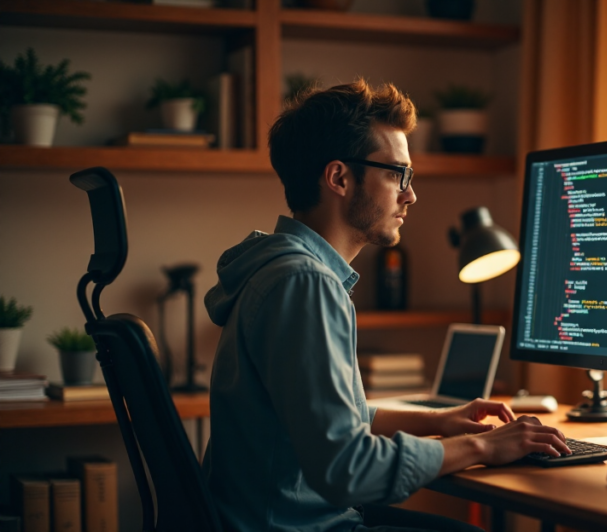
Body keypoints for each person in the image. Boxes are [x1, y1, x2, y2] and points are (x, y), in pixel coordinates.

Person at [202, 79, 571, 532]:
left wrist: (442, 420)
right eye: (398, 173)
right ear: (339, 177)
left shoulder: (281, 271)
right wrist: (483, 448)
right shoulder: (305, 283)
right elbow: (348, 465)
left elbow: (339, 420)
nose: (410, 194)